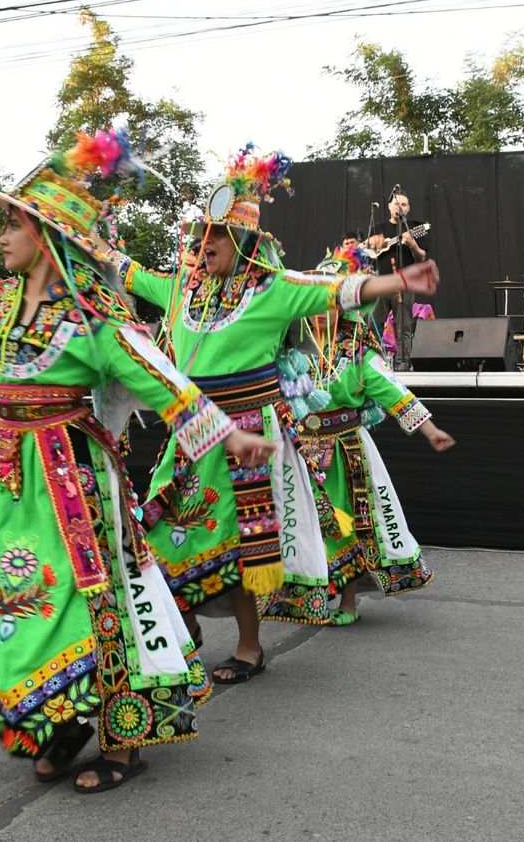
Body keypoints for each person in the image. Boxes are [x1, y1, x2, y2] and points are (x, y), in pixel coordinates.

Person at [0, 129, 273, 794]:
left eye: (13, 224)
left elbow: (159, 377)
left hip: (73, 476)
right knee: (8, 600)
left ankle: (123, 738)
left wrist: (224, 435)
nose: (1, 236)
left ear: (48, 236)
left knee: (96, 603)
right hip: (11, 477)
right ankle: (60, 722)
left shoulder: (90, 316)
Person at [118, 145, 439, 684]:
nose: (206, 245)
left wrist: (397, 281)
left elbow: (332, 290)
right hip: (192, 434)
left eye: (217, 236)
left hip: (249, 435)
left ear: (243, 242)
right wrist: (78, 235)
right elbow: (127, 273)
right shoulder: (184, 289)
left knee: (241, 543)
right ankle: (188, 627)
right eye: (203, 235)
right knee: (160, 529)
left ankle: (249, 647)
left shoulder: (270, 292)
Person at [261, 246, 454, 627]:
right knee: (305, 524)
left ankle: (348, 601)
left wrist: (430, 429)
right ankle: (304, 596)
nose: (318, 311)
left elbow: (393, 391)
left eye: (328, 300)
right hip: (300, 451)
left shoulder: (358, 353)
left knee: (346, 523)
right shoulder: (290, 353)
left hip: (344, 452)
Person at [366, 190, 430, 364]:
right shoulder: (378, 228)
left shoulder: (415, 227)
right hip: (380, 284)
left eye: (403, 205)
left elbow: (421, 257)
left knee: (404, 327)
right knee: (373, 327)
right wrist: (374, 244)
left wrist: (412, 244)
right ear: (389, 206)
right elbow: (366, 250)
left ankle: (403, 364)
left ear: (408, 208)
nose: (399, 207)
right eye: (396, 204)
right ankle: (372, 363)